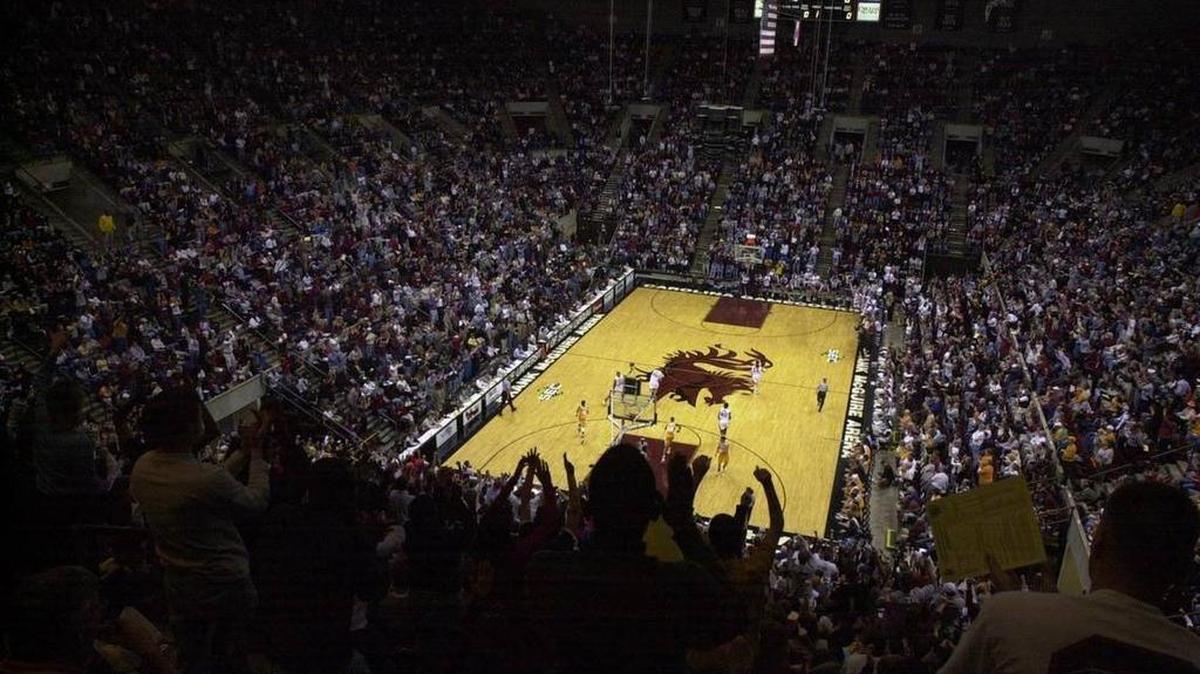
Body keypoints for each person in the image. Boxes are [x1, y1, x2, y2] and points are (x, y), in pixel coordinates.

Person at [940, 481, 1200, 673]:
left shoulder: (1005, 614)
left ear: (1098, 544)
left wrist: (1023, 604)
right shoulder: (1192, 655)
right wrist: (1045, 605)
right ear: (1181, 574)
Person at [525, 445, 744, 673]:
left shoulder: (546, 572)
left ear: (590, 507)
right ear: (653, 509)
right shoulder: (682, 585)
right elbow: (736, 617)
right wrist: (682, 521)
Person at [130, 389, 272, 674]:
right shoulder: (205, 479)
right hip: (224, 581)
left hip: (179, 580)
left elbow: (209, 482)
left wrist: (243, 451)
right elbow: (254, 502)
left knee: (191, 652)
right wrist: (256, 455)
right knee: (232, 651)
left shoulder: (142, 466)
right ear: (187, 428)